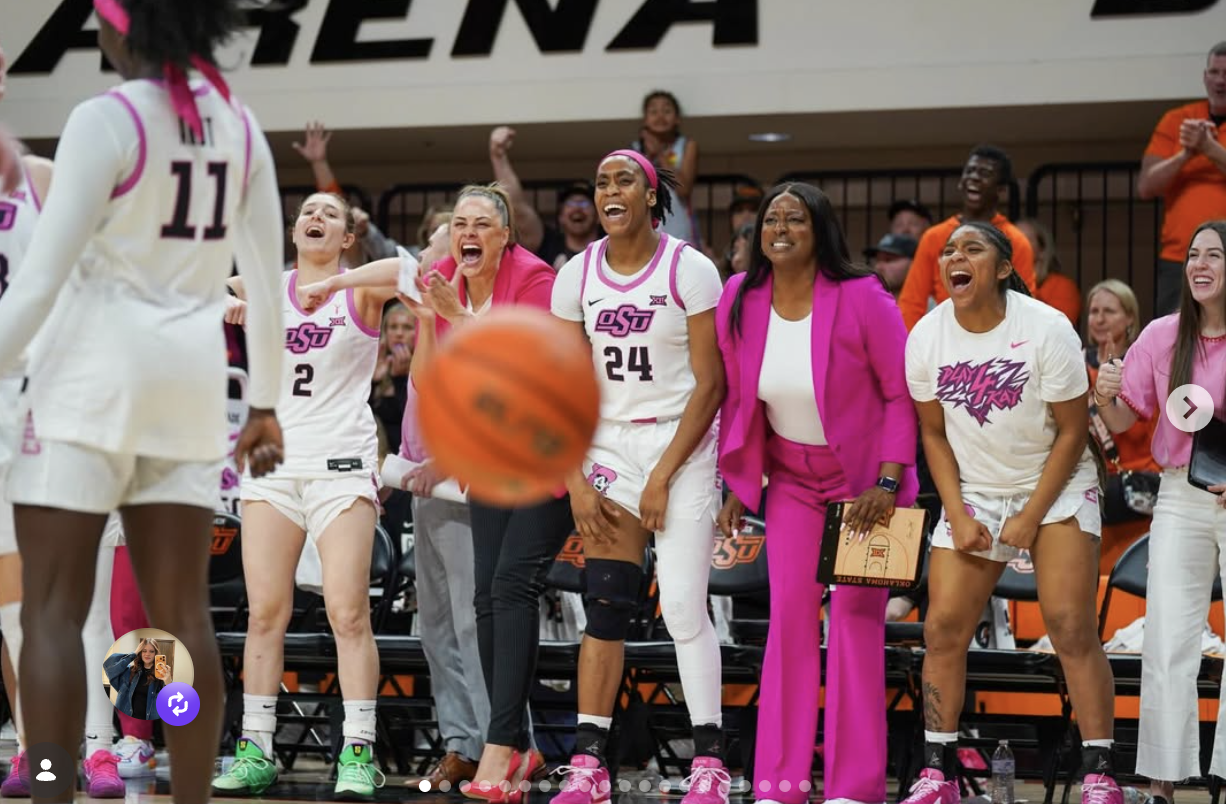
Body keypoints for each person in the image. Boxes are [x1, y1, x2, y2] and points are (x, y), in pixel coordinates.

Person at [0, 3, 286, 803]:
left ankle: (52, 785)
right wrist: (263, 402)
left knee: (54, 616)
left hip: (89, 384)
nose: (97, 35)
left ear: (127, 30)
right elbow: (267, 288)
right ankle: (187, 797)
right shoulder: (241, 127)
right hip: (190, 388)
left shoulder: (105, 118)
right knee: (183, 621)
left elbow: (39, 287)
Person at [332, 184, 562, 794]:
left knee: (480, 613)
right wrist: (435, 320)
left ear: (504, 234)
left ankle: (506, 742)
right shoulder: (442, 284)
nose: (459, 239)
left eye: (476, 225)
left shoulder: (531, 282)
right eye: (454, 227)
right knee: (436, 625)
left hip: (495, 471)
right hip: (428, 472)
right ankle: (462, 742)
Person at [902, 221, 1119, 804]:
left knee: (1071, 626)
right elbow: (933, 434)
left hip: (1055, 481)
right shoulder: (926, 336)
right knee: (942, 626)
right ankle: (937, 772)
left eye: (972, 248)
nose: (955, 257)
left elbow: (1075, 432)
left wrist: (1030, 517)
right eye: (948, 251)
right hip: (974, 487)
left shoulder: (1045, 327)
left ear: (1002, 267)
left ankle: (1099, 773)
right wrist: (957, 509)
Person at [715, 182, 918, 804]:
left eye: (794, 218)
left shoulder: (863, 297)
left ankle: (854, 787)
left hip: (864, 486)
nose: (779, 228)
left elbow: (898, 393)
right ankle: (781, 780)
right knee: (790, 624)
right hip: (792, 481)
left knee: (856, 626)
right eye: (770, 218)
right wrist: (736, 484)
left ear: (818, 229)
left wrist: (887, 482)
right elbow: (736, 397)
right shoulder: (739, 298)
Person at [550, 150, 728, 804]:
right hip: (605, 447)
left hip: (679, 441)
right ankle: (589, 765)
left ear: (653, 198)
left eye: (624, 180)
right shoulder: (576, 274)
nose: (609, 190)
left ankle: (709, 760)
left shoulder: (691, 268)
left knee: (682, 605)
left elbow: (712, 384)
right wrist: (575, 477)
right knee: (607, 605)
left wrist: (662, 474)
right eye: (600, 182)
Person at [215, 191, 402, 800]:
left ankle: (358, 751)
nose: (315, 219)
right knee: (266, 613)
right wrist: (227, 301)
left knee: (348, 613)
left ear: (348, 236)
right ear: (294, 232)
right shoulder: (266, 286)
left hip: (341, 467)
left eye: (330, 215)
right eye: (307, 213)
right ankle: (256, 749)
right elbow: (190, 290)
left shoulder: (361, 289)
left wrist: (337, 282)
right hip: (272, 467)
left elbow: (411, 271)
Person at [1094, 220, 1226, 799]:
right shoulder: (1162, 335)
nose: (1199, 264)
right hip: (1180, 494)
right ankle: (1160, 784)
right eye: (1193, 254)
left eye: (1214, 255)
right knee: (1167, 638)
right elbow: (1127, 418)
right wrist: (1105, 393)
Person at [0, 113, 51, 801]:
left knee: (31, 608)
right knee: (9, 608)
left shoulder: (42, 179)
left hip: (36, 407)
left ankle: (81, 748)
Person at [898, 145, 1037, 331]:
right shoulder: (934, 237)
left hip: (999, 341)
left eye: (985, 173)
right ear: (960, 182)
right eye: (970, 171)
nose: (974, 177)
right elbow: (912, 302)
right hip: (946, 339)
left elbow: (1025, 303)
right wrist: (910, 350)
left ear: (1001, 190)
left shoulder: (1015, 241)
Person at [1139, 42, 1226, 317]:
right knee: (1174, 339)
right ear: (1204, 76)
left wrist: (1210, 149)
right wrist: (1187, 153)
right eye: (1214, 72)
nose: (1220, 80)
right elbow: (1146, 186)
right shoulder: (1178, 120)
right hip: (1181, 256)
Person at [1083, 280, 1158, 573]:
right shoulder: (1075, 363)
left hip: (1139, 487)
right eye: (1094, 311)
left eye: (1109, 311)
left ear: (1129, 318)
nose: (1099, 319)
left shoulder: (1146, 366)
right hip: (1093, 485)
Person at [489, 126, 600, 269]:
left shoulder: (610, 247)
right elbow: (517, 208)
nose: (577, 208)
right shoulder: (549, 244)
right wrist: (498, 156)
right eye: (571, 203)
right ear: (560, 217)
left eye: (584, 203)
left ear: (598, 217)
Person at [634, 91, 702, 246]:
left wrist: (660, 153)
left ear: (677, 119)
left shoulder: (687, 145)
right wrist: (648, 156)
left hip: (680, 226)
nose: (660, 117)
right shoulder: (634, 149)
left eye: (666, 111)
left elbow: (684, 189)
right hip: (645, 227)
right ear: (645, 119)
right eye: (653, 112)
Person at [1018, 218, 1082, 327]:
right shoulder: (998, 285)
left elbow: (1059, 329)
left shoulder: (1062, 287)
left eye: (1024, 239)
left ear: (1042, 250)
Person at [102, 638, 169, 721]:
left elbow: (167, 703)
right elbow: (109, 667)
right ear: (140, 652)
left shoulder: (161, 675)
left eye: (151, 651)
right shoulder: (129, 672)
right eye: (144, 651)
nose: (147, 654)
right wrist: (134, 653)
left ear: (156, 654)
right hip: (126, 720)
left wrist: (168, 682)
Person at [865, 232, 918, 299]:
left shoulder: (931, 306)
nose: (878, 267)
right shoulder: (866, 302)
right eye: (877, 260)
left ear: (913, 264)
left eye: (888, 260)